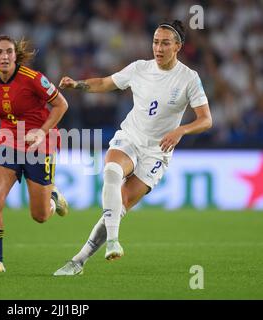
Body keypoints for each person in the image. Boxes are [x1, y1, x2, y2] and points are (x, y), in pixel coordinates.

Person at [53, 20, 212, 276]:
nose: (158, 48)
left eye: (165, 43)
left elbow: (206, 120)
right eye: (155, 42)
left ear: (178, 47)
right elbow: (106, 83)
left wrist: (181, 130)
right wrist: (77, 85)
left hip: (158, 151)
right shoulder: (139, 68)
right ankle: (113, 241)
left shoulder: (189, 78)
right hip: (131, 136)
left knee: (122, 202)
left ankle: (79, 261)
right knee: (112, 171)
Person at [0, 35, 69, 273]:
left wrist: (42, 132)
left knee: (40, 216)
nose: (4, 56)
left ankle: (53, 197)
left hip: (38, 144)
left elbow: (62, 104)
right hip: (7, 142)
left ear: (15, 55)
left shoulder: (34, 79)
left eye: (9, 51)